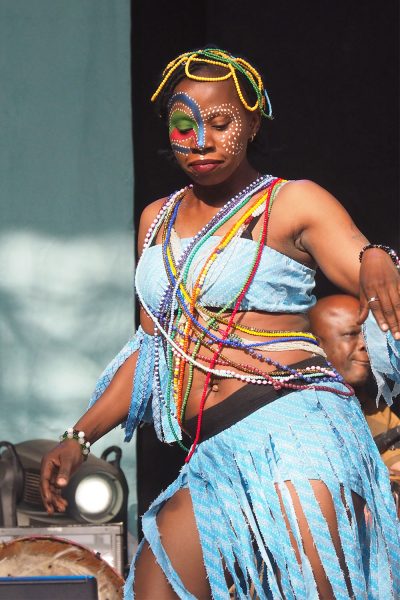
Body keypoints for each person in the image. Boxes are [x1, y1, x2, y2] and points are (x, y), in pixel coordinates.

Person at [40, 48, 400, 599]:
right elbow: (156, 346)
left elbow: (363, 263)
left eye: (221, 123)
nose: (202, 140)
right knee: (155, 589)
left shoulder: (291, 202)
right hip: (212, 452)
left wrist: (377, 255)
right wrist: (79, 436)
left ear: (253, 122)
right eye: (184, 126)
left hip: (293, 431)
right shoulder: (156, 219)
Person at [309, 294, 400, 476]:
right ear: (314, 344)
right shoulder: (294, 415)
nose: (365, 345)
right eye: (351, 334)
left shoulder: (380, 416)